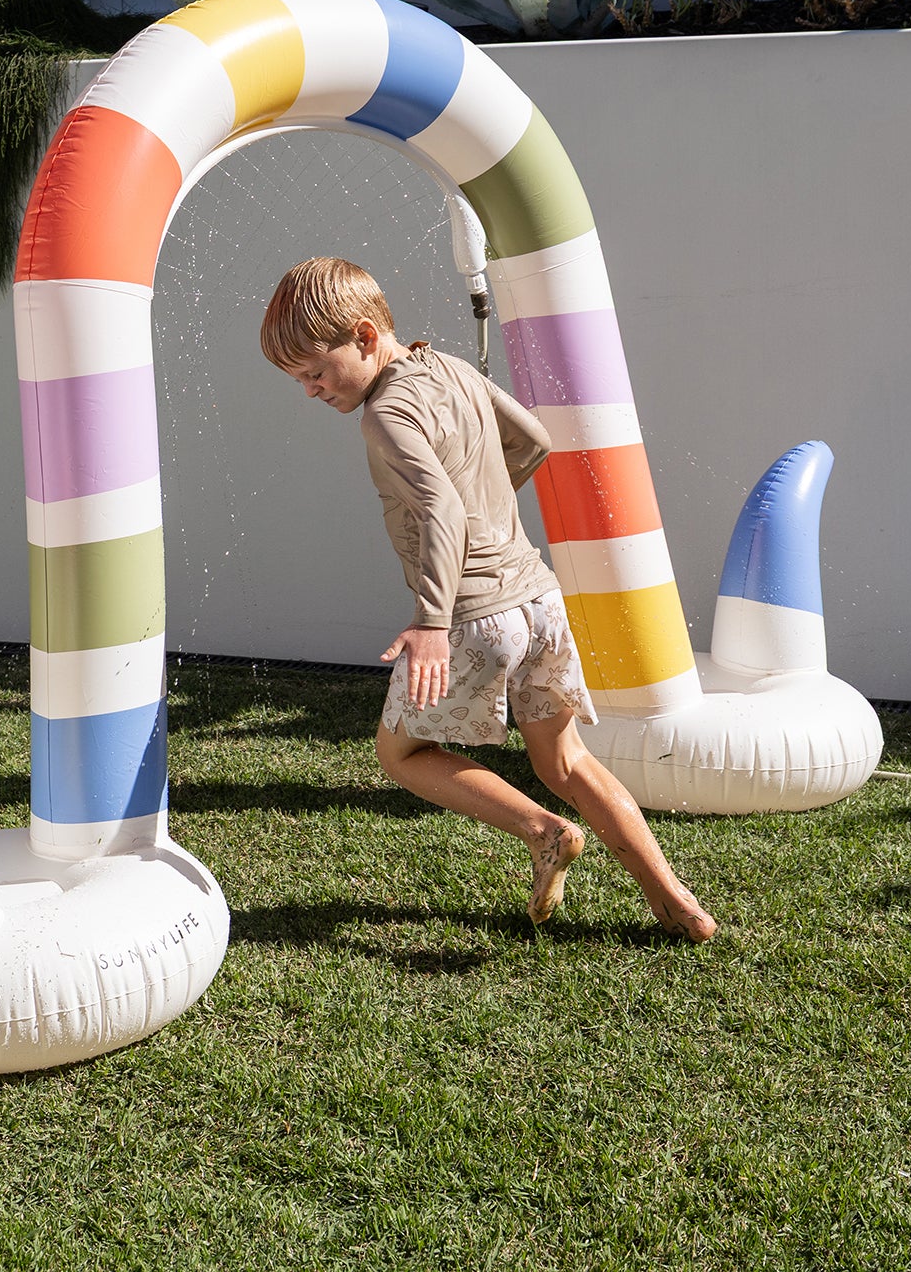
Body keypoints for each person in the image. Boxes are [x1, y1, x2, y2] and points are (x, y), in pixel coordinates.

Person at [260, 256, 715, 941]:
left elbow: (440, 511)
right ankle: (676, 901)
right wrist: (492, 511)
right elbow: (532, 440)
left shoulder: (385, 416)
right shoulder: (448, 367)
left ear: (362, 335)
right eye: (298, 380)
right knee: (566, 761)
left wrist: (432, 622)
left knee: (401, 755)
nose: (310, 390)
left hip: (474, 616)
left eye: (315, 372)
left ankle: (542, 830)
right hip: (538, 602)